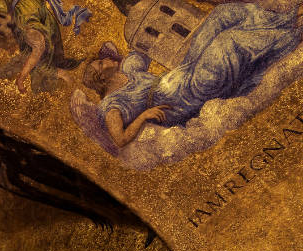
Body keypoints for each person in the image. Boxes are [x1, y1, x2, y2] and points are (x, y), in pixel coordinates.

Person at [80, 5, 302, 150]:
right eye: (101, 62)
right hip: (186, 97)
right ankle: (292, 33)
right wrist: (144, 115)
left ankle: (285, 16)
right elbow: (119, 140)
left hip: (185, 71)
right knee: (226, 43)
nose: (106, 59)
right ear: (101, 77)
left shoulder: (128, 70)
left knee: (221, 15)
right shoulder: (112, 105)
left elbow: (141, 49)